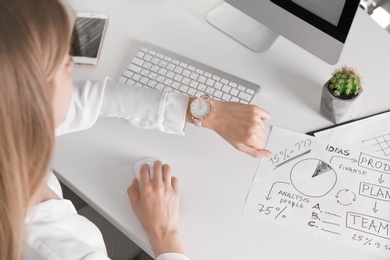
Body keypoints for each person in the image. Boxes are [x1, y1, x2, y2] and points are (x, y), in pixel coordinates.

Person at [0, 0, 271, 259]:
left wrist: (205, 112)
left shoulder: (9, 125)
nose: (72, 63)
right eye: (62, 64)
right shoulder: (54, 249)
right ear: (32, 100)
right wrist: (165, 234)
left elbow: (94, 98)